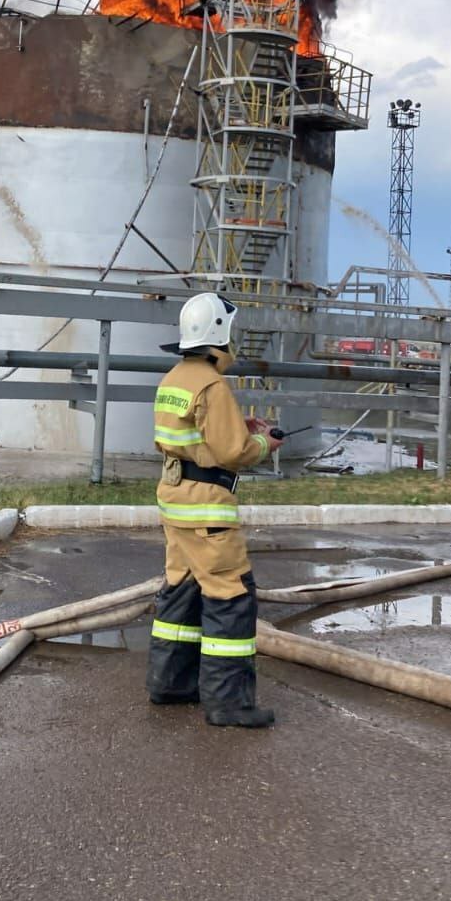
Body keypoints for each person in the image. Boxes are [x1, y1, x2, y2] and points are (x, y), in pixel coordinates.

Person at [146, 291, 281, 728]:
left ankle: (170, 684)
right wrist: (263, 442)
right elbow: (233, 453)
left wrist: (232, 431)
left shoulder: (173, 379)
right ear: (219, 335)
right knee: (231, 596)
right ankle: (229, 704)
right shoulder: (213, 385)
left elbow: (187, 437)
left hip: (175, 499)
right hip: (207, 509)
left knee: (181, 590)